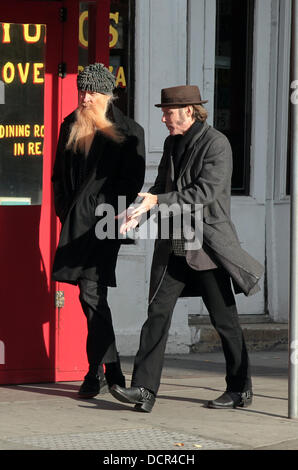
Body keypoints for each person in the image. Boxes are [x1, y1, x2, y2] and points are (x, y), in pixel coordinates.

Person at [110, 85, 264, 413]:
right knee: (157, 314)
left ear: (189, 111)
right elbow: (161, 186)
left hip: (205, 245)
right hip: (174, 246)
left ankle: (240, 389)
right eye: (163, 112)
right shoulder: (171, 142)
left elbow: (202, 193)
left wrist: (157, 200)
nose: (164, 118)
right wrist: (140, 209)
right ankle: (144, 389)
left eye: (168, 112)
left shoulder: (216, 144)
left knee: (224, 321)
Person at [51, 63, 145, 398]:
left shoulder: (130, 131)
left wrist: (104, 214)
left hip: (105, 225)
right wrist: (66, 211)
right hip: (76, 225)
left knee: (91, 293)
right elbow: (59, 178)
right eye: (81, 90)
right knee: (92, 296)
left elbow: (131, 183)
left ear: (107, 93)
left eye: (91, 91)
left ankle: (108, 372)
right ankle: (103, 370)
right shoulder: (70, 126)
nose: (84, 96)